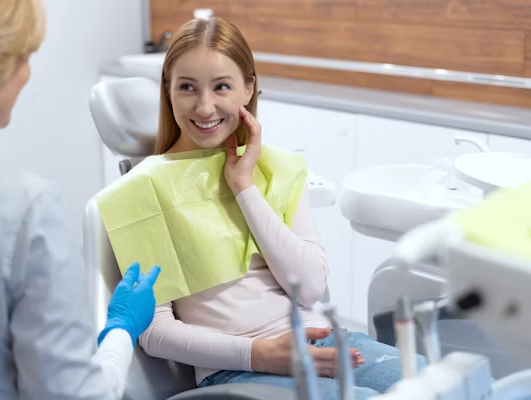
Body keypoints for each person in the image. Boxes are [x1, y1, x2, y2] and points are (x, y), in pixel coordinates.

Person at [136, 17, 425, 400]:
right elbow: (153, 332)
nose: (204, 106)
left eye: (221, 86)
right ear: (168, 91)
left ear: (248, 88)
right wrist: (259, 354)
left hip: (323, 340)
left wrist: (243, 187)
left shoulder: (278, 170)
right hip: (235, 369)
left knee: (443, 385)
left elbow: (308, 288)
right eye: (187, 87)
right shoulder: (145, 190)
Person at [0, 0, 160, 399]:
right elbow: (72, 395)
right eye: (25, 57)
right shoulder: (25, 207)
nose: (27, 74)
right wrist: (121, 331)